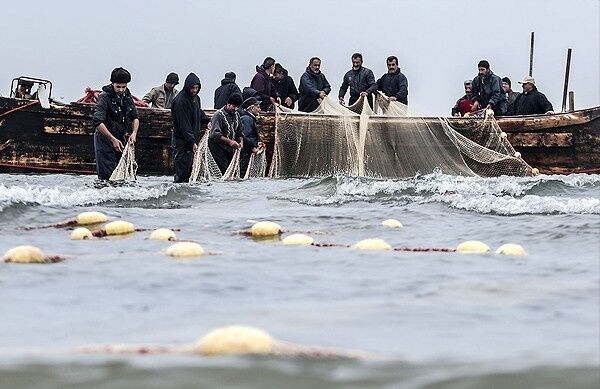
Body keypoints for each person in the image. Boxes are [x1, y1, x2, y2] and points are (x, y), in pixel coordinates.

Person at [92, 67, 140, 180]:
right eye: (118, 86)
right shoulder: (104, 97)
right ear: (112, 83)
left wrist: (134, 133)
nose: (121, 90)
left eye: (124, 87)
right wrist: (112, 139)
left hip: (121, 138)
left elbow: (135, 117)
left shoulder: (127, 96)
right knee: (107, 176)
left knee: (121, 175)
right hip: (105, 139)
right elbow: (98, 122)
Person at [170, 73, 210, 183]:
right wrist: (192, 141)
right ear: (187, 87)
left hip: (192, 141)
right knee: (182, 172)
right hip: (182, 142)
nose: (194, 90)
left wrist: (207, 121)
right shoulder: (180, 101)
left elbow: (198, 113)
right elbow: (184, 124)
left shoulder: (196, 99)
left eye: (197, 88)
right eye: (192, 88)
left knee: (191, 172)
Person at [208, 93, 244, 174]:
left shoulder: (237, 115)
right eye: (234, 106)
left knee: (231, 171)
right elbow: (214, 134)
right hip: (217, 147)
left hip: (230, 149)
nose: (236, 109)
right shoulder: (218, 115)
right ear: (228, 104)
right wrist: (229, 141)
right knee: (223, 170)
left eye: (237, 107)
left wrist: (241, 142)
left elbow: (240, 132)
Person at [239, 97, 265, 174]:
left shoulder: (248, 118)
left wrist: (256, 143)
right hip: (245, 153)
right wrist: (253, 147)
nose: (260, 109)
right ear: (251, 108)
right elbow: (245, 136)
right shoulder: (247, 119)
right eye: (258, 107)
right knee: (244, 172)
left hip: (246, 151)